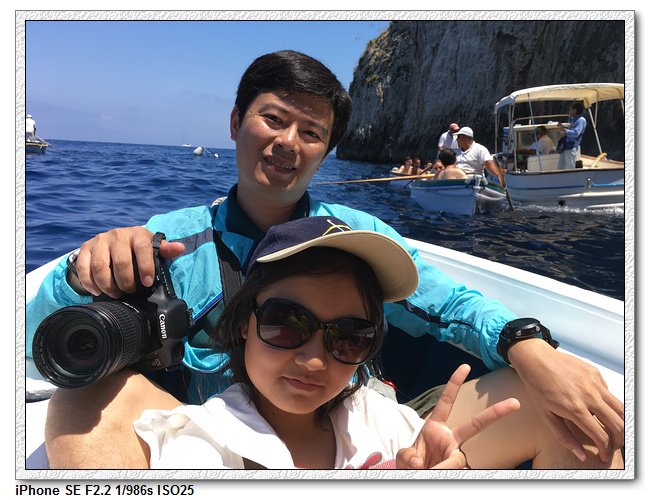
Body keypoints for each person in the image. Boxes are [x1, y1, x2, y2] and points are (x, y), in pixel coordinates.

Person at [31, 50, 623, 469]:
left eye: (311, 132)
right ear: (236, 123)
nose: (288, 142)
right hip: (220, 445)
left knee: (577, 418)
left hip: (365, 432)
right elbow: (35, 349)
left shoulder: (359, 236)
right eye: (273, 119)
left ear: (326, 151)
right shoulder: (168, 244)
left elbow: (449, 305)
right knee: (79, 400)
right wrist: (80, 275)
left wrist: (529, 346)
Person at [133, 216, 520, 469]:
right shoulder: (201, 444)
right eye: (286, 324)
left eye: (349, 337)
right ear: (246, 323)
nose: (314, 361)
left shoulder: (390, 423)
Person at [556, 102, 587, 169]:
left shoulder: (581, 120)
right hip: (565, 147)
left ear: (574, 110)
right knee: (560, 168)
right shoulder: (574, 120)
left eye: (570, 110)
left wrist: (565, 130)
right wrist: (562, 128)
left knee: (570, 168)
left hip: (571, 147)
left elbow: (576, 133)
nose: (569, 112)